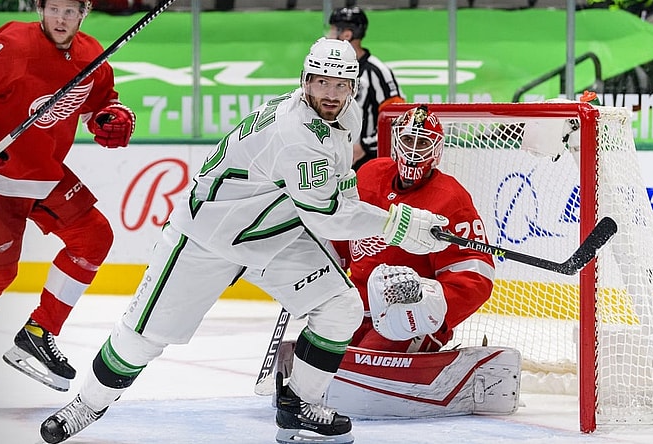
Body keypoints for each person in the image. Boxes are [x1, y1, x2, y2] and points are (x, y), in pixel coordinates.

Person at [38, 38, 450, 444]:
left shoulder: (346, 116)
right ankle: (87, 405)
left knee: (340, 306)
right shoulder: (295, 134)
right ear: (305, 80)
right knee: (143, 338)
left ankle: (298, 405)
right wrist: (402, 224)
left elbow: (340, 196)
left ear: (352, 88)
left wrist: (395, 221)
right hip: (207, 238)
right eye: (322, 82)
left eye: (340, 85)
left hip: (274, 233)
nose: (331, 92)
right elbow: (330, 217)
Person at [0, 0, 136, 391]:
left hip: (45, 175)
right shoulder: (14, 43)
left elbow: (101, 102)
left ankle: (39, 332)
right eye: (54, 9)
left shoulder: (91, 55)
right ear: (40, 7)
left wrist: (112, 116)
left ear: (83, 12)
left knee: (94, 237)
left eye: (70, 11)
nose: (61, 19)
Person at [332, 105, 495, 354]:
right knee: (319, 356)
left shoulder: (451, 199)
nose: (413, 150)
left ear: (436, 149)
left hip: (408, 318)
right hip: (356, 306)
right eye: (408, 140)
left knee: (370, 359)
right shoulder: (369, 174)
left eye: (422, 143)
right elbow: (340, 236)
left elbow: (475, 275)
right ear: (397, 141)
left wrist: (430, 305)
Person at [327, 6, 405, 171]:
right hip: (333, 156)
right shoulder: (329, 69)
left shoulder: (377, 71)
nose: (328, 35)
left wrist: (364, 146)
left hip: (367, 161)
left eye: (333, 30)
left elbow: (397, 119)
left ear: (346, 34)